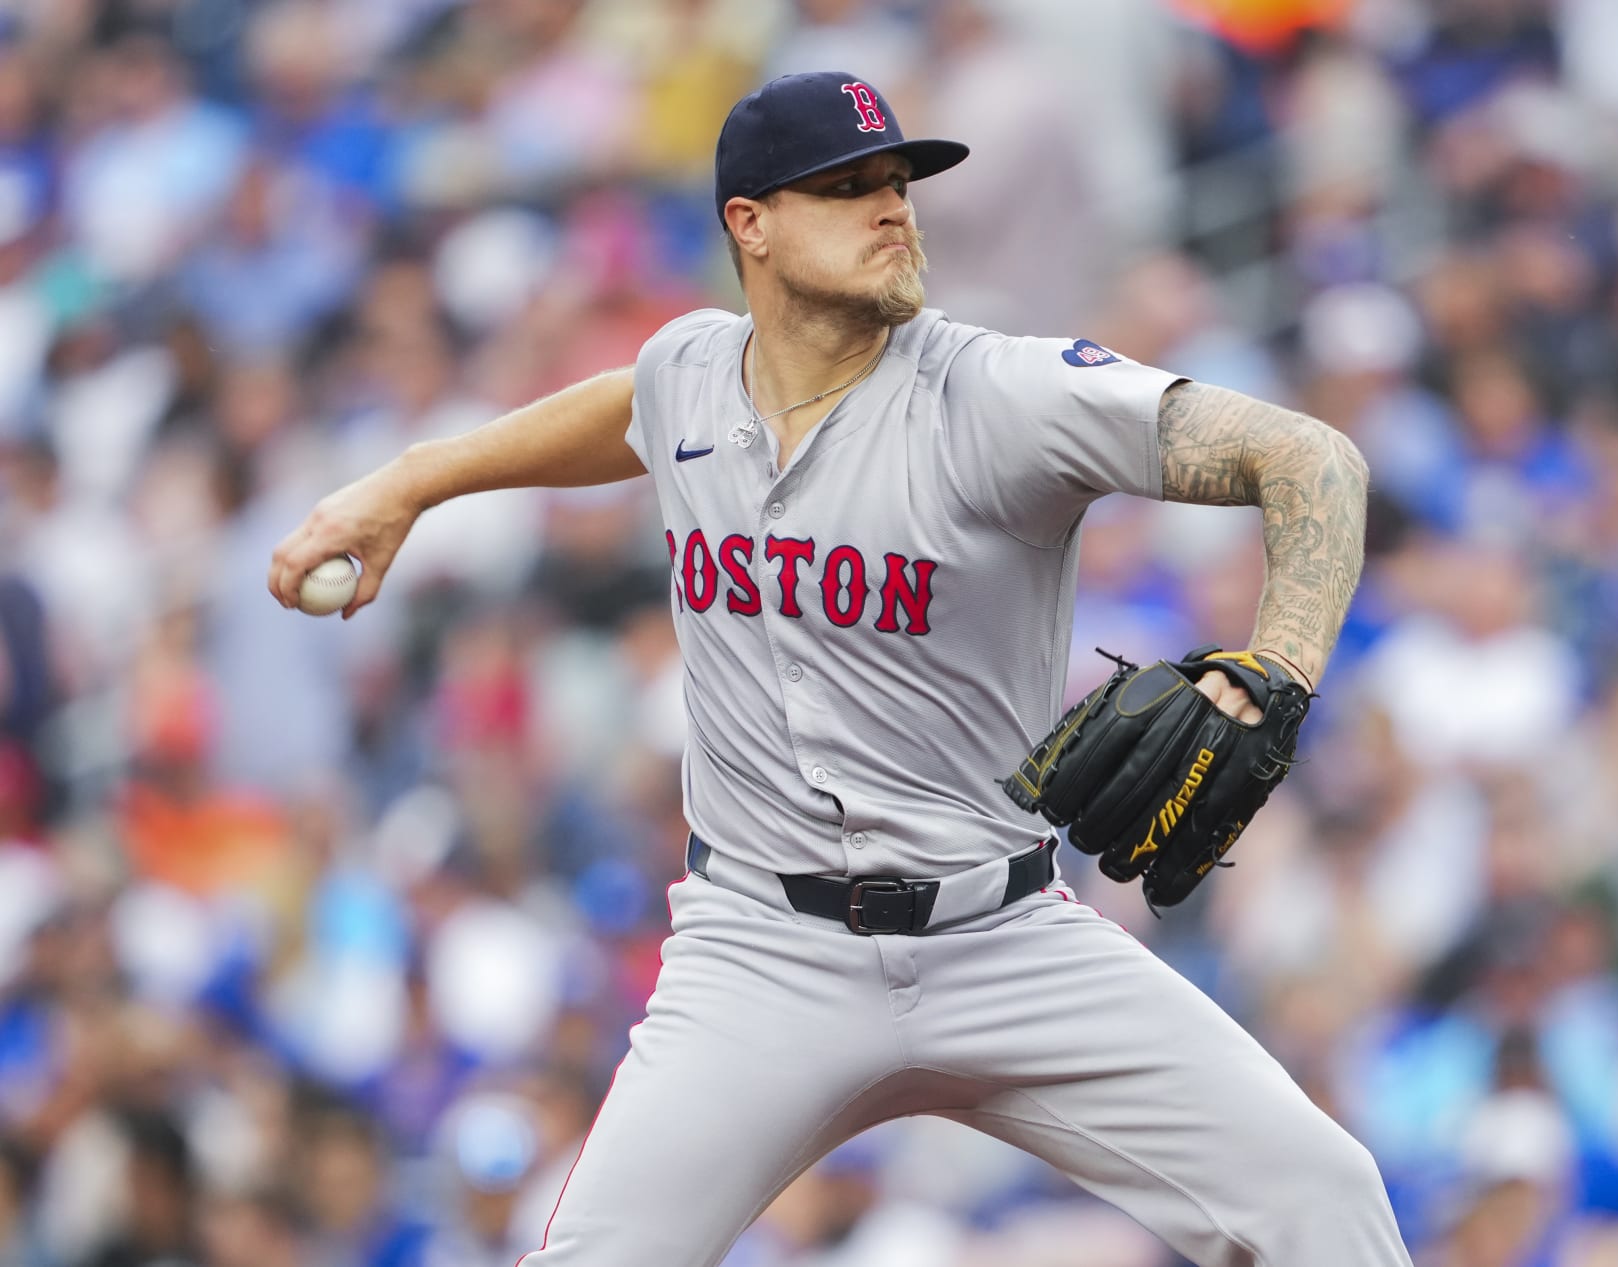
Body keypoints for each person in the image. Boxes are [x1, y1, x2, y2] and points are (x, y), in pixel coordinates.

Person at [270, 71, 1411, 1267]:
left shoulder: (1000, 394)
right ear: (748, 224)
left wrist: (1274, 668)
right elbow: (631, 409)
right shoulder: (692, 374)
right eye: (847, 186)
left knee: (1323, 1196)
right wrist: (413, 479)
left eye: (898, 183)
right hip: (762, 951)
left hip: (1003, 934)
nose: (892, 209)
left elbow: (1311, 457)